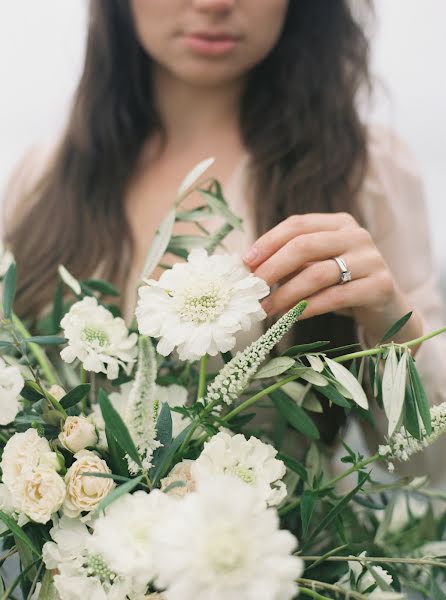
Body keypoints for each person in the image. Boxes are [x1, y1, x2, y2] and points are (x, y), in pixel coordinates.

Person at [2, 1, 446, 476]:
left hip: (280, 546)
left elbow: (429, 467)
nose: (214, 3)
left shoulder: (366, 172)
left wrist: (394, 328)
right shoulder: (42, 179)